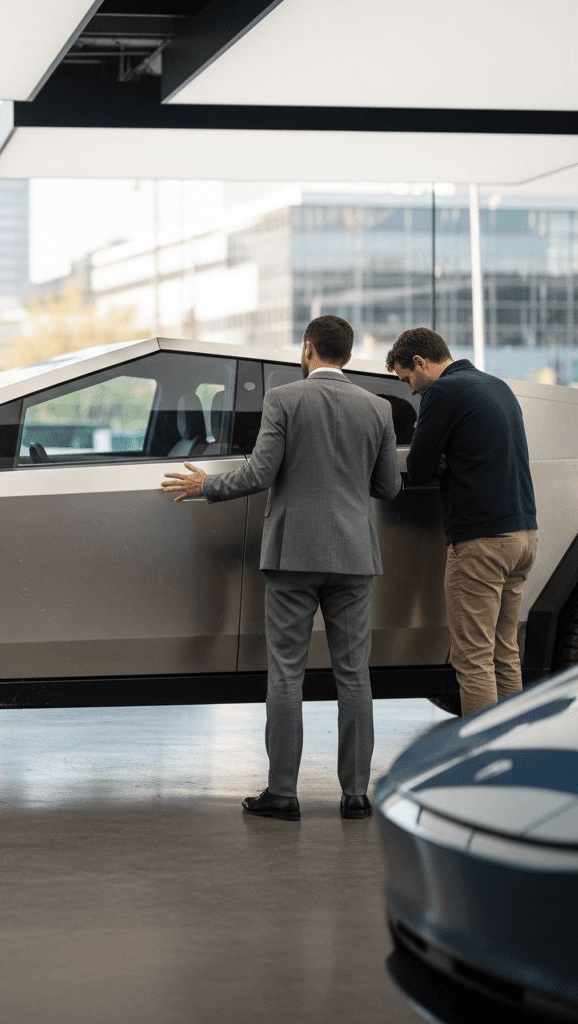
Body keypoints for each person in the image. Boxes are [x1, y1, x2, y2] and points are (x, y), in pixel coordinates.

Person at [162, 315, 401, 821]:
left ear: (308, 349)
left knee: (287, 675)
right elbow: (388, 488)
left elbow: (259, 472)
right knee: (355, 676)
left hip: (293, 555)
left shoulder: (285, 400)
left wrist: (206, 486)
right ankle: (356, 795)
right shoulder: (377, 408)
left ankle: (284, 793)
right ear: (349, 355)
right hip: (355, 558)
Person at [386, 327, 538, 717]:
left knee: (473, 661)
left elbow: (418, 468)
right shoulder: (497, 386)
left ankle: (479, 769)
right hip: (522, 535)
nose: (412, 391)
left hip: (481, 542)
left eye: (408, 379)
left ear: (421, 363)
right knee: (505, 654)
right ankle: (510, 753)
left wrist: (437, 458)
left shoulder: (443, 392)